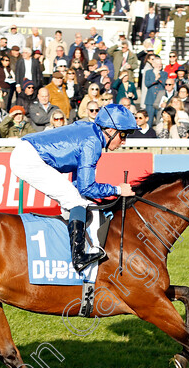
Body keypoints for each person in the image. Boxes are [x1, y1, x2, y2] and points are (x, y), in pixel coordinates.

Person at [9, 104, 137, 272]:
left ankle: (65, 249)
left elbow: (80, 183)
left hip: (27, 153)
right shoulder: (93, 142)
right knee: (75, 200)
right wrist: (118, 190)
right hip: (29, 158)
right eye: (122, 134)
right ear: (110, 130)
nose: (124, 141)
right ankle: (78, 257)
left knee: (76, 199)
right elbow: (87, 187)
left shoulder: (91, 133)